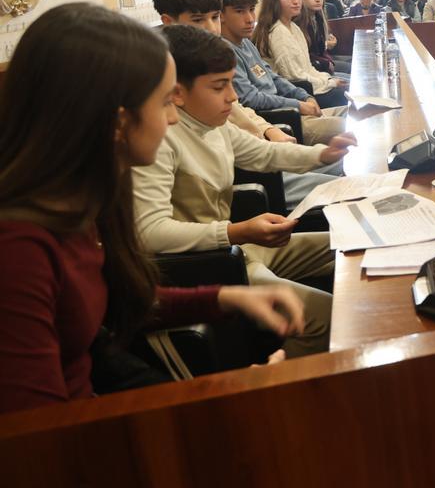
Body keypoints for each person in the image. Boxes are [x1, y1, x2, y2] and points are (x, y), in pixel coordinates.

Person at [0, 3, 308, 413]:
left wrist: (226, 298)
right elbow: (41, 442)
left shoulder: (86, 204)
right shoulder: (19, 249)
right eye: (165, 102)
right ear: (116, 121)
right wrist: (232, 396)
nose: (173, 120)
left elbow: (120, 302)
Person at [134, 25, 356, 359]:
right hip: (206, 266)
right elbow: (150, 232)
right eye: (219, 86)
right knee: (322, 315)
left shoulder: (213, 122)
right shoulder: (159, 140)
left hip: (237, 248)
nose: (233, 96)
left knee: (350, 242)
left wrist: (321, 155)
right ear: (178, 93)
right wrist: (236, 231)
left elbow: (264, 153)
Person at [149, 0, 291, 146]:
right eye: (198, 20)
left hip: (256, 141)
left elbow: (236, 108)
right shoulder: (170, 73)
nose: (212, 29)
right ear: (169, 22)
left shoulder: (207, 56)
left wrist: (267, 129)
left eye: (215, 17)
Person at [218, 0, 347, 146]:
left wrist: (304, 96)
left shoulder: (246, 43)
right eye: (240, 11)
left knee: (356, 110)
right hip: (278, 117)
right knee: (354, 125)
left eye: (251, 10)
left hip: (290, 106)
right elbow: (250, 98)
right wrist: (298, 105)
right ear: (221, 16)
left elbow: (273, 77)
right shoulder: (225, 52)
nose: (250, 18)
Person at [253, 0, 347, 106]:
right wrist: (330, 83)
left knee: (348, 86)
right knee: (347, 95)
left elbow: (308, 68)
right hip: (296, 94)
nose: (296, 1)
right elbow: (294, 77)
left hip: (307, 87)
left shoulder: (293, 27)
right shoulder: (278, 31)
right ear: (274, 0)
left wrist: (329, 79)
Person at [297, 0, 340, 75]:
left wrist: (329, 62)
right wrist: (327, 63)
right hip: (312, 72)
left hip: (323, 65)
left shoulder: (317, 17)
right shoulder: (299, 22)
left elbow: (321, 50)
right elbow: (307, 56)